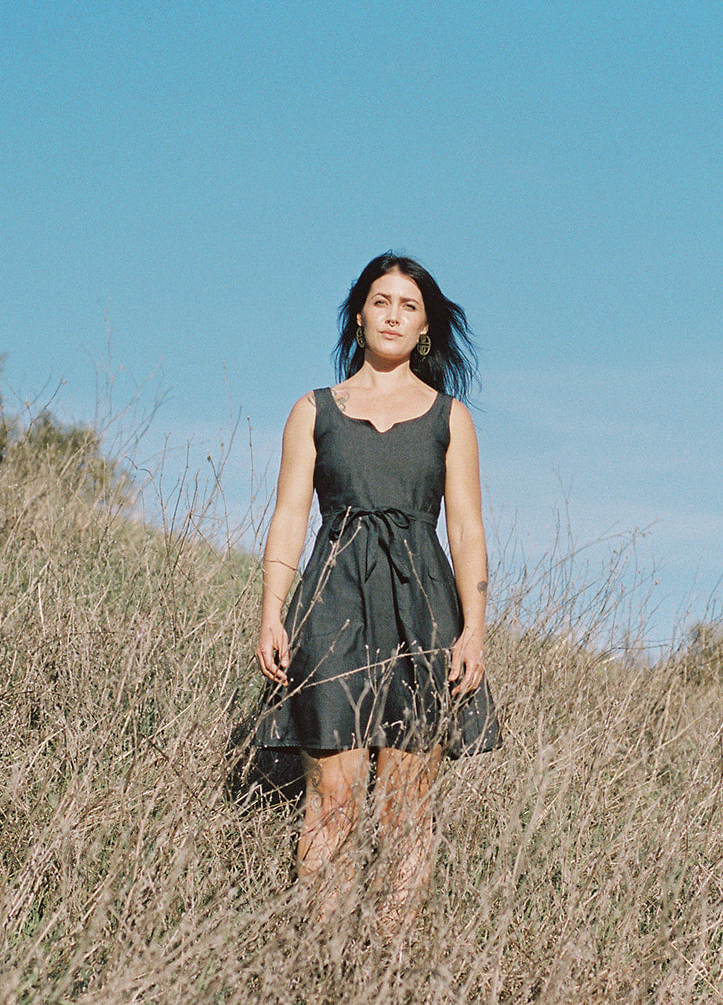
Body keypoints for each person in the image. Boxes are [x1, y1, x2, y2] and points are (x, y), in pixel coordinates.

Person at [253, 252, 501, 937]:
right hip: (330, 610)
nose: (394, 314)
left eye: (409, 305)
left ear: (425, 329)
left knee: (404, 807)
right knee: (333, 800)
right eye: (381, 301)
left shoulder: (451, 419)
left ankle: (390, 963)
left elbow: (469, 531)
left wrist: (474, 629)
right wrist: (272, 613)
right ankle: (320, 962)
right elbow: (289, 517)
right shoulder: (313, 411)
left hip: (424, 615)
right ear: (359, 315)